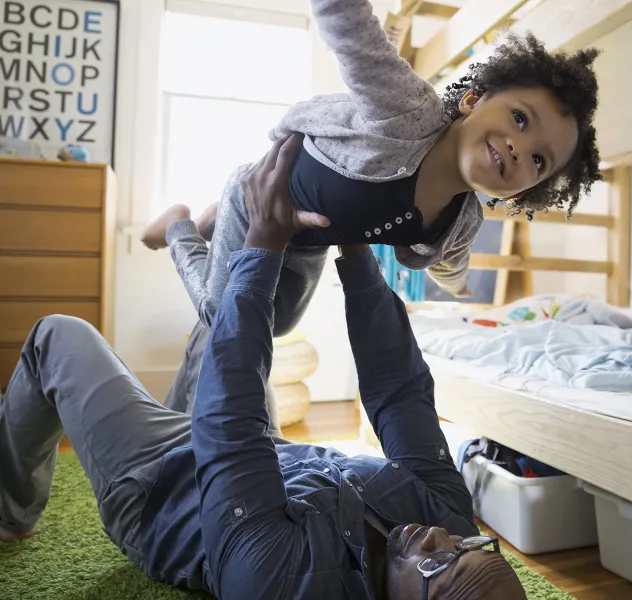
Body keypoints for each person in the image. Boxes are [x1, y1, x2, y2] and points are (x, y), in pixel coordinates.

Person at [0, 134, 527, 600]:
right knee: (229, 317)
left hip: (158, 480)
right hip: (263, 449)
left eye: (436, 569)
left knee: (59, 334)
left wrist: (263, 242)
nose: (438, 539)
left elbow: (228, 426)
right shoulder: (448, 522)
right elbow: (399, 392)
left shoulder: (280, 582)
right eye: (470, 548)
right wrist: (356, 247)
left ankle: (10, 512)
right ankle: (183, 228)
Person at [140, 0, 602, 329]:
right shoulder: (407, 109)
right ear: (472, 99)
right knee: (225, 316)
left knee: (277, 324)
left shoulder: (461, 221)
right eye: (520, 119)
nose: (520, 148)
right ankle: (182, 224)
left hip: (307, 243)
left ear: (526, 190)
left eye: (539, 160)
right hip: (259, 197)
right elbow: (350, 30)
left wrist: (459, 289)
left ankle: (209, 219)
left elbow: (450, 266)